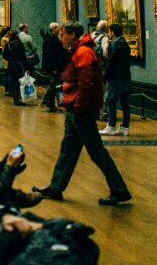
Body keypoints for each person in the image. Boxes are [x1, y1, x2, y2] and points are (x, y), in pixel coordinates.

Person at [32, 21, 131, 205]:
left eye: (62, 35)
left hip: (80, 111)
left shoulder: (84, 52)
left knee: (96, 151)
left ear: (72, 35)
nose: (60, 38)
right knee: (67, 150)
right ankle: (56, 187)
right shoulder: (77, 50)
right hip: (74, 109)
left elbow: (87, 84)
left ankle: (119, 189)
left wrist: (79, 107)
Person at [99, 23, 132, 136]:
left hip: (114, 77)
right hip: (125, 76)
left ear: (112, 32)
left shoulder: (114, 44)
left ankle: (111, 125)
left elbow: (111, 63)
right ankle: (125, 127)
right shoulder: (125, 44)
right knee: (124, 103)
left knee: (110, 100)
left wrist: (105, 76)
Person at [39, 23, 65, 112]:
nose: (60, 30)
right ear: (54, 28)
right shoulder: (49, 39)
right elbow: (49, 55)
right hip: (53, 66)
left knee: (55, 84)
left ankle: (51, 105)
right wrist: (53, 67)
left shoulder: (51, 37)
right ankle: (45, 101)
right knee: (54, 84)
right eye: (58, 28)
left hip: (55, 66)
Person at [2, 29, 29, 106]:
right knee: (18, 82)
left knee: (14, 81)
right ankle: (17, 100)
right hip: (18, 65)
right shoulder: (19, 44)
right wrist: (26, 68)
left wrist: (11, 59)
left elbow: (5, 56)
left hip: (10, 65)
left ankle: (15, 98)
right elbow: (23, 57)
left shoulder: (8, 45)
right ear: (17, 36)